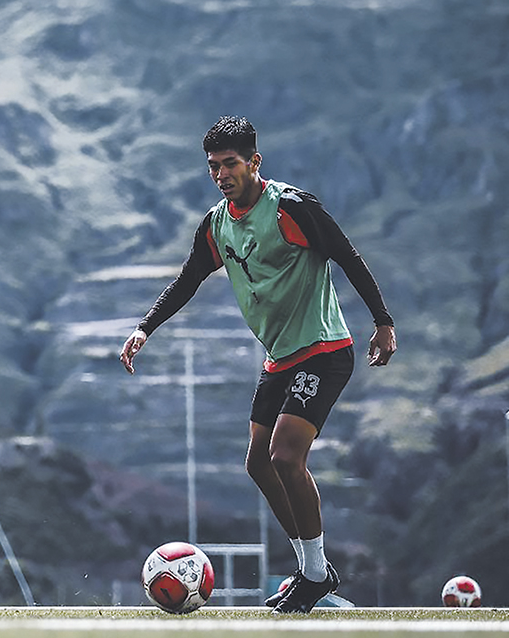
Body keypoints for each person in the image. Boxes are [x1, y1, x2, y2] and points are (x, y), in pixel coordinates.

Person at [119, 116, 397, 614]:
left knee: (286, 455)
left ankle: (315, 574)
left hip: (325, 349)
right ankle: (313, 572)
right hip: (280, 359)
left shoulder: (291, 207)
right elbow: (187, 279)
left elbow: (347, 255)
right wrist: (145, 327)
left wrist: (382, 320)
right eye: (213, 167)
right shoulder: (217, 224)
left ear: (254, 162)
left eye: (231, 164)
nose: (222, 174)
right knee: (257, 463)